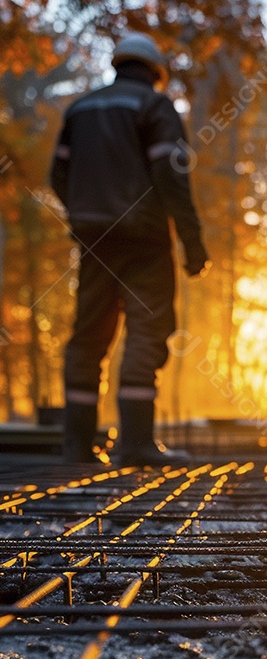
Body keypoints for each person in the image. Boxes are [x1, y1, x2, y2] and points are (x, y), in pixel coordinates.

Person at [51, 31, 209, 464]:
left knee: (89, 335)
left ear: (118, 64)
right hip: (144, 239)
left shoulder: (80, 109)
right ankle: (136, 442)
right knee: (147, 330)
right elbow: (171, 177)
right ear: (155, 73)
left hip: (94, 240)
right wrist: (192, 242)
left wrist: (84, 214)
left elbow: (57, 176)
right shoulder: (155, 106)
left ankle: (77, 445)